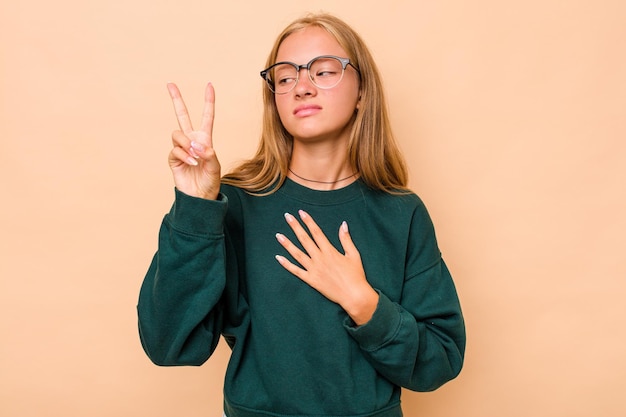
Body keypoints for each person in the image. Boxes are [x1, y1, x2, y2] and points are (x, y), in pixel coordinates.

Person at [137, 12, 465, 417]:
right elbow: (169, 343)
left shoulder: (401, 213)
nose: (302, 87)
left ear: (362, 91)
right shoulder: (234, 205)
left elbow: (441, 359)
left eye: (324, 71)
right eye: (286, 76)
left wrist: (363, 302)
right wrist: (195, 208)